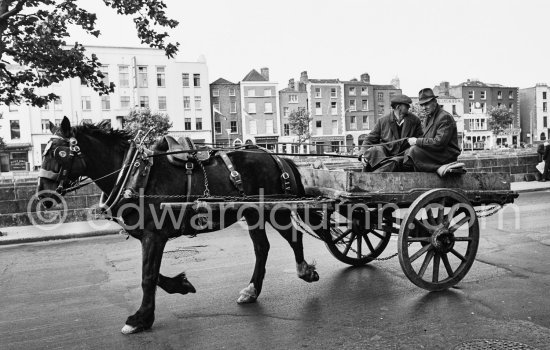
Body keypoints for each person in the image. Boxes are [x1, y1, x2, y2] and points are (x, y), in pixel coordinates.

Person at [358, 94, 422, 172]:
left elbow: (420, 139)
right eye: (406, 105)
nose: (409, 107)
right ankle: (362, 177)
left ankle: (370, 179)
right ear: (398, 107)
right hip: (385, 155)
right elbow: (370, 139)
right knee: (371, 153)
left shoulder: (415, 121)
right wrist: (363, 154)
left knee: (394, 162)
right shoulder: (382, 121)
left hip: (403, 157)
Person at [403, 88, 461, 172]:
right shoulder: (428, 118)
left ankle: (435, 168)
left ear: (434, 101)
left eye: (426, 104)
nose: (423, 108)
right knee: (407, 152)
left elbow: (439, 143)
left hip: (446, 155)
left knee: (413, 151)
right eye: (422, 105)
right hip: (435, 153)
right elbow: (426, 138)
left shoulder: (445, 117)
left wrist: (417, 141)